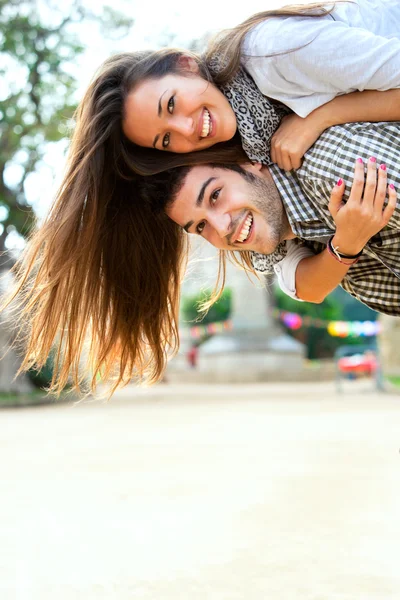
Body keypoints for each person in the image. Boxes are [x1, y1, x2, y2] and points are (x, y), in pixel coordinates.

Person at [3, 0, 400, 395]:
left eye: (171, 104)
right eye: (166, 138)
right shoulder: (250, 168)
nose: (187, 128)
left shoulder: (272, 55)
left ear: (186, 63)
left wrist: (319, 117)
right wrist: (345, 245)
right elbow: (306, 286)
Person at [142, 120, 400, 318]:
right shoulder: (296, 230)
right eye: (201, 226)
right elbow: (306, 287)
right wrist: (346, 244)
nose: (221, 228)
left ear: (249, 162)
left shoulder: (337, 178)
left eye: (215, 195)